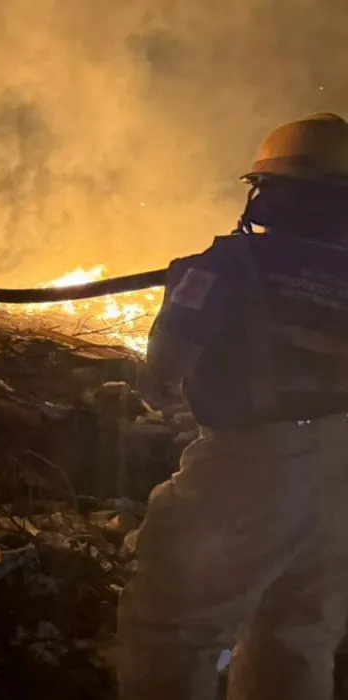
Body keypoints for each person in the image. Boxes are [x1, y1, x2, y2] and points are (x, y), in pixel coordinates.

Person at [116, 112, 348, 700]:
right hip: (342, 469)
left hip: (252, 467)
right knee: (298, 636)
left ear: (268, 195)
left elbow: (161, 377)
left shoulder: (227, 265)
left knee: (172, 628)